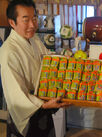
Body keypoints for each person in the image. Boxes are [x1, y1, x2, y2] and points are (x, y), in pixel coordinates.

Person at [0, 0, 71, 137]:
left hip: (44, 102)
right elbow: (15, 93)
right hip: (28, 111)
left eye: (34, 18)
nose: (32, 25)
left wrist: (66, 60)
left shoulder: (34, 39)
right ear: (12, 22)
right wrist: (42, 105)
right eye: (26, 20)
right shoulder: (8, 52)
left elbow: (48, 59)